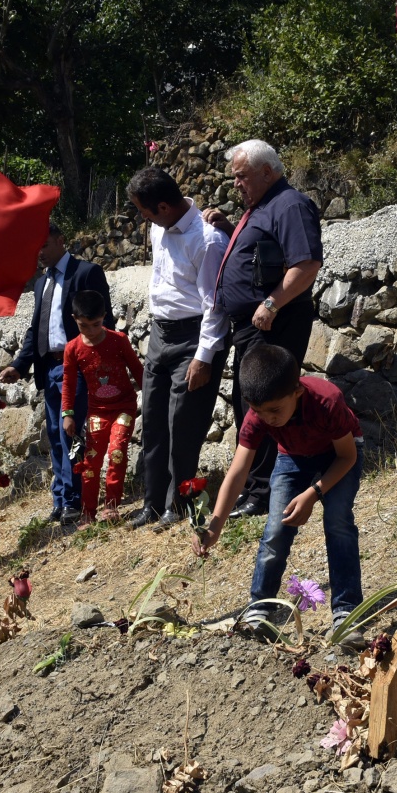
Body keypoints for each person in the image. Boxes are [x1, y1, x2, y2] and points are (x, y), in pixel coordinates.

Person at [192, 345, 364, 644]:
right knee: (275, 529)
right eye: (259, 411)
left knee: (338, 523)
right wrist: (214, 526)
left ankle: (347, 613)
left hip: (338, 456)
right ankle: (260, 606)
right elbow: (238, 472)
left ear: (296, 392)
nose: (268, 418)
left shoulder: (326, 401)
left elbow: (347, 457)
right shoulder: (258, 413)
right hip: (293, 458)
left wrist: (313, 493)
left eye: (274, 410)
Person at [202, 139, 323, 519]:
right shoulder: (261, 207)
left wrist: (271, 303)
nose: (236, 184)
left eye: (241, 176)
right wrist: (227, 226)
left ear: (267, 172)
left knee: (263, 402)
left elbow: (306, 264)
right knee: (251, 402)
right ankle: (259, 488)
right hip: (254, 327)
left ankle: (264, 490)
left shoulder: (289, 204)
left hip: (274, 322)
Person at [125, 166, 230, 531]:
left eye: (144, 210)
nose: (142, 217)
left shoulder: (207, 239)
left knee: (182, 423)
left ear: (165, 206)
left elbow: (213, 305)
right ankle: (152, 503)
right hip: (160, 334)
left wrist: (203, 358)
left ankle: (178, 502)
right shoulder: (159, 227)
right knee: (153, 421)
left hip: (192, 338)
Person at [0, 225, 113, 525]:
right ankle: (61, 497)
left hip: (75, 364)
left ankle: (74, 501)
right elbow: (36, 329)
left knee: (71, 432)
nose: (39, 253)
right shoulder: (41, 283)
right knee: (55, 434)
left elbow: (105, 320)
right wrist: (19, 365)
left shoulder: (86, 273)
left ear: (61, 241)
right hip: (48, 368)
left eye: (44, 245)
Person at [61, 291, 143, 525]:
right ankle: (88, 511)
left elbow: (138, 371)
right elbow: (68, 382)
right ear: (74, 319)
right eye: (83, 325)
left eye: (96, 324)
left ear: (105, 317)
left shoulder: (119, 340)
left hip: (123, 407)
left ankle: (111, 506)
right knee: (91, 461)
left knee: (117, 452)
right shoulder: (73, 349)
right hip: (97, 411)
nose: (91, 331)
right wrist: (68, 413)